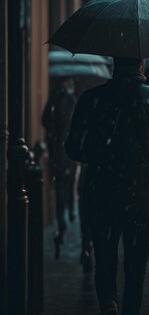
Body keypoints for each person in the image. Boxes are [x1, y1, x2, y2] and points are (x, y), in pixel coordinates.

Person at [65, 57, 149, 315]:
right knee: (135, 272)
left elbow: (73, 147)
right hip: (141, 198)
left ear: (114, 64)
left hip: (101, 194)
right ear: (141, 64)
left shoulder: (91, 98)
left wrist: (100, 153)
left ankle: (108, 303)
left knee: (105, 263)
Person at [42, 77, 78, 258]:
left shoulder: (59, 100)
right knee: (65, 185)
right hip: (64, 151)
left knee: (64, 186)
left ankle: (64, 214)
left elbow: (45, 120)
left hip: (62, 151)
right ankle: (65, 214)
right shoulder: (67, 100)